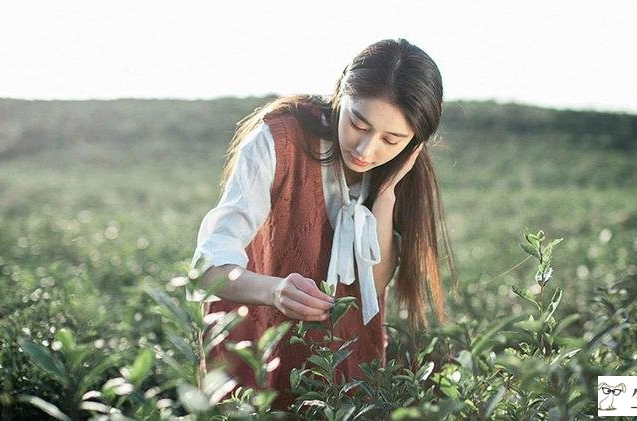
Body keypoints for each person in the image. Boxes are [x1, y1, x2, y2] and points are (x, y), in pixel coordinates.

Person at [189, 38, 455, 410]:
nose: (366, 150)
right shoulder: (276, 141)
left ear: (414, 143)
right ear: (341, 92)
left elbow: (372, 287)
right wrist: (275, 291)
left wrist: (386, 196)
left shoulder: (403, 172)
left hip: (341, 373)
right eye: (358, 124)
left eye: (391, 140)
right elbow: (206, 270)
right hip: (257, 360)